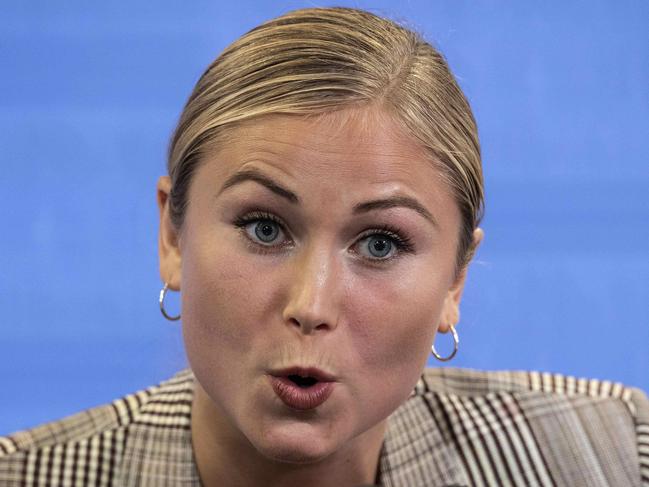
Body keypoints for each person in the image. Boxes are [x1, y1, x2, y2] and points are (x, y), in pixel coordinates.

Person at [1, 7, 647, 487]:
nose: (310, 303)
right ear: (172, 234)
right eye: (263, 227)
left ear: (455, 280)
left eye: (379, 242)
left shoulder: (613, 451)